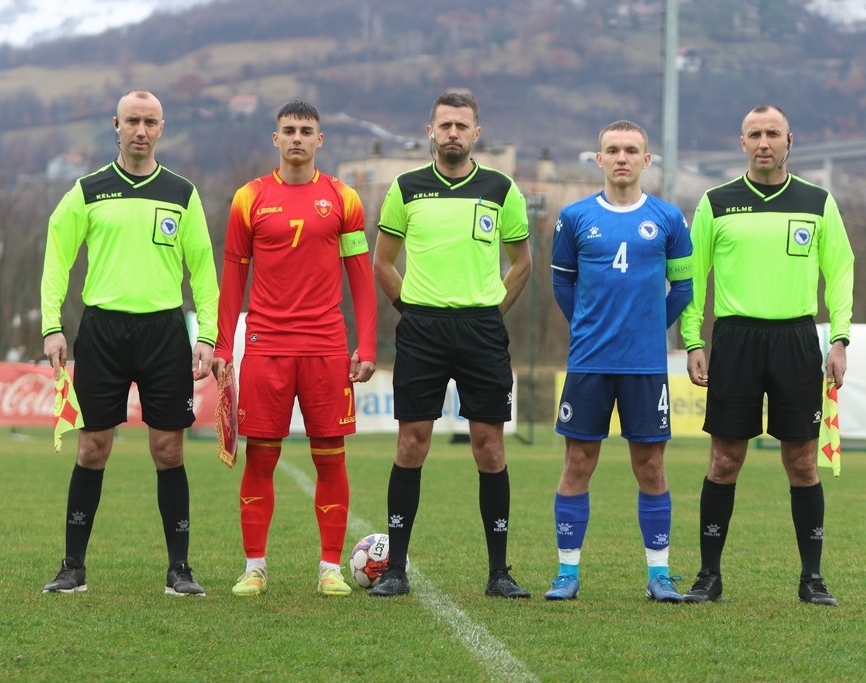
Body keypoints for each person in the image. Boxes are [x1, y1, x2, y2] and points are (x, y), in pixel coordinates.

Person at [40, 89, 219, 596]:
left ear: (162, 128)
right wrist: (51, 325)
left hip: (164, 332)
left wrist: (207, 334)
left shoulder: (181, 193)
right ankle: (72, 567)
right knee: (93, 447)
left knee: (169, 449)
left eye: (150, 122)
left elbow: (203, 268)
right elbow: (57, 257)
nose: (141, 130)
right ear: (115, 125)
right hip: (103, 332)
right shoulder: (88, 190)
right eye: (132, 121)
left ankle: (179, 569)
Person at [680, 105, 854, 606]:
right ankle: (708, 577)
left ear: (789, 141)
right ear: (742, 143)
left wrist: (839, 338)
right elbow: (692, 276)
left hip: (796, 338)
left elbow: (840, 270)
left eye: (772, 133)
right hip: (735, 339)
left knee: (802, 462)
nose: (763, 142)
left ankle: (812, 578)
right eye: (754, 134)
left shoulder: (817, 202)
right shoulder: (716, 202)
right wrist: (693, 340)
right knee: (724, 459)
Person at [370, 91, 533, 598]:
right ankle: (395, 570)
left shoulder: (501, 189)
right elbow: (382, 262)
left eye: (462, 125)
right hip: (422, 330)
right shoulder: (406, 188)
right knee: (411, 443)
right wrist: (412, 311)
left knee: (490, 447)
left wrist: (490, 313)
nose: (453, 133)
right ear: (431, 131)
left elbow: (522, 263)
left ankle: (499, 572)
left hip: (481, 329)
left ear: (476, 133)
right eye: (445, 125)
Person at [211, 100, 377, 598]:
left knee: (331, 458)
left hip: (326, 345)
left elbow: (361, 278)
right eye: (289, 130)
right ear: (276, 139)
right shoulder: (249, 198)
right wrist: (223, 344)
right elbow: (233, 274)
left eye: (307, 130)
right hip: (266, 345)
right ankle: (254, 567)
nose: (298, 138)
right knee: (261, 458)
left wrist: (367, 343)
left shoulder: (344, 198)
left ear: (320, 140)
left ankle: (330, 568)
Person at [545, 120, 693, 603]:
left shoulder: (669, 218)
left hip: (645, 366)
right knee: (578, 462)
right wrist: (585, 324)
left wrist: (649, 329)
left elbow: (684, 288)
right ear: (600, 159)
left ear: (646, 160)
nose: (622, 157)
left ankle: (659, 575)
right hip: (589, 361)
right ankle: (567, 572)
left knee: (650, 466)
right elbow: (562, 283)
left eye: (631, 150)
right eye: (613, 150)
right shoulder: (574, 216)